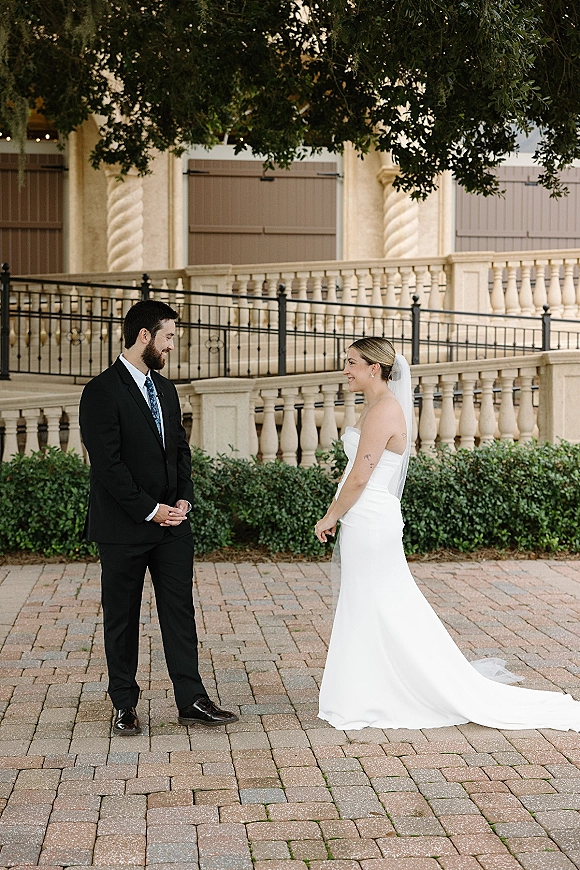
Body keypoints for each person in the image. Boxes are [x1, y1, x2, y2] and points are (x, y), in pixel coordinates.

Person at [315, 337, 580, 731]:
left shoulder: (384, 410)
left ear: (374, 368)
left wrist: (329, 515)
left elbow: (359, 478)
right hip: (364, 518)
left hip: (369, 521)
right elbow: (355, 468)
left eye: (351, 362)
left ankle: (392, 687)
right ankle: (372, 685)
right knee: (373, 601)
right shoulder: (375, 406)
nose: (344, 369)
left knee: (380, 601)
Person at [79, 299, 238, 735]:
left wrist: (183, 500)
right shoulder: (100, 392)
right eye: (167, 337)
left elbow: (180, 453)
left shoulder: (166, 390)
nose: (171, 346)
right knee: (122, 617)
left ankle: (191, 699)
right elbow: (107, 466)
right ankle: (125, 705)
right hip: (124, 528)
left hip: (173, 527)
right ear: (144, 336)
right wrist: (151, 510)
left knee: (179, 613)